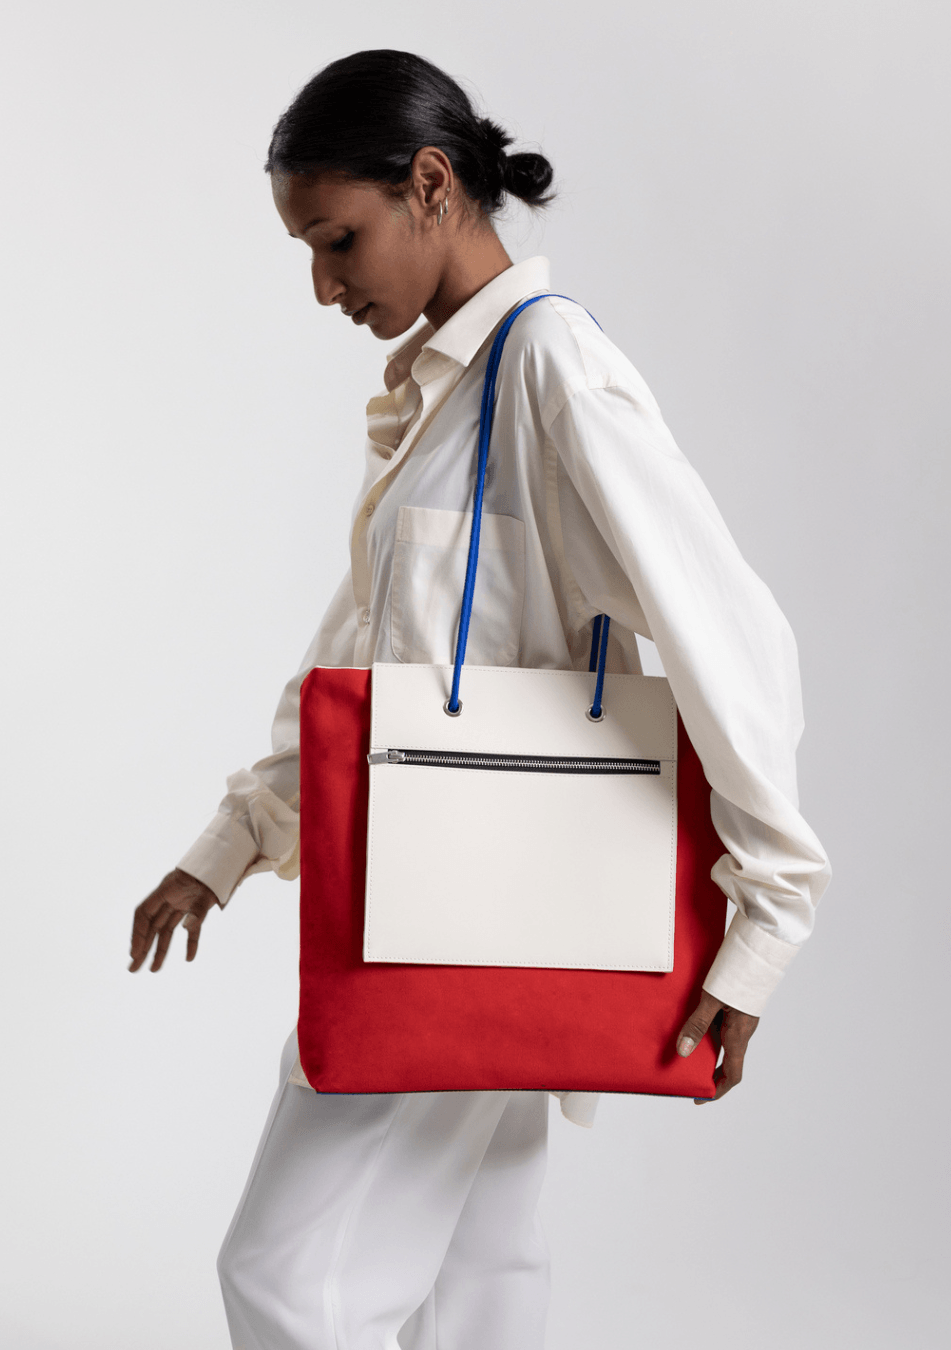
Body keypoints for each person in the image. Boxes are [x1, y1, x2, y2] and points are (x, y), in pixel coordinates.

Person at [128, 49, 830, 1350]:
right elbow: (369, 661)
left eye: (338, 240)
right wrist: (227, 847)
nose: (324, 285)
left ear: (432, 185)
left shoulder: (549, 367)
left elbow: (739, 640)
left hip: (456, 909)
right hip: (471, 899)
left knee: (286, 1278)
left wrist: (767, 924)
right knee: (476, 1288)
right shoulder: (453, 394)